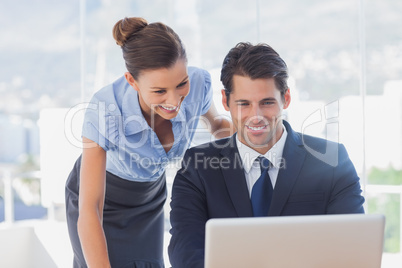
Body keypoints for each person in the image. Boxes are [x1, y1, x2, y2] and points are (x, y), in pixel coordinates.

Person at [168, 42, 365, 268]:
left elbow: (352, 248)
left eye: (267, 102)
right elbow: (185, 252)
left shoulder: (332, 160)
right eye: (244, 103)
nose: (256, 116)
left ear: (286, 98)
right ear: (225, 101)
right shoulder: (196, 167)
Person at [65, 17, 233, 268]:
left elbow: (219, 126)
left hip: (150, 197)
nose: (174, 100)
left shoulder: (198, 83)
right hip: (101, 201)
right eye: (159, 91)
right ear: (132, 81)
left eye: (181, 84)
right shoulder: (105, 109)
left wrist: (247, 142)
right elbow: (90, 207)